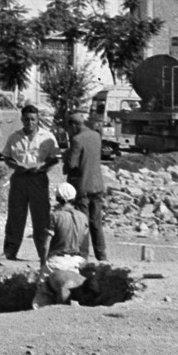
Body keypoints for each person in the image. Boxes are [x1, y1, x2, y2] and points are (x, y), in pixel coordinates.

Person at [0, 104, 60, 262]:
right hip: (19, 179)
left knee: (41, 217)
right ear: (22, 120)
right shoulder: (14, 137)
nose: (30, 122)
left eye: (33, 119)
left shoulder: (47, 137)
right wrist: (16, 166)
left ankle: (44, 253)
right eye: (26, 119)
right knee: (15, 216)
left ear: (38, 119)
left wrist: (43, 166)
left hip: (38, 179)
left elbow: (55, 158)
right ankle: (10, 251)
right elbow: (7, 157)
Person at [60, 110, 109, 261]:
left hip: (82, 187)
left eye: (69, 128)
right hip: (98, 185)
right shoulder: (96, 136)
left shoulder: (77, 140)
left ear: (73, 125)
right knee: (96, 222)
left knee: (83, 222)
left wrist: (66, 156)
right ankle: (101, 254)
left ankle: (83, 255)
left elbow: (72, 166)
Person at [33, 183, 91, 309]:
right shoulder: (83, 217)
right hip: (76, 262)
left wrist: (43, 262)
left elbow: (46, 244)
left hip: (57, 261)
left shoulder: (55, 216)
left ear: (58, 199)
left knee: (42, 293)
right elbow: (85, 244)